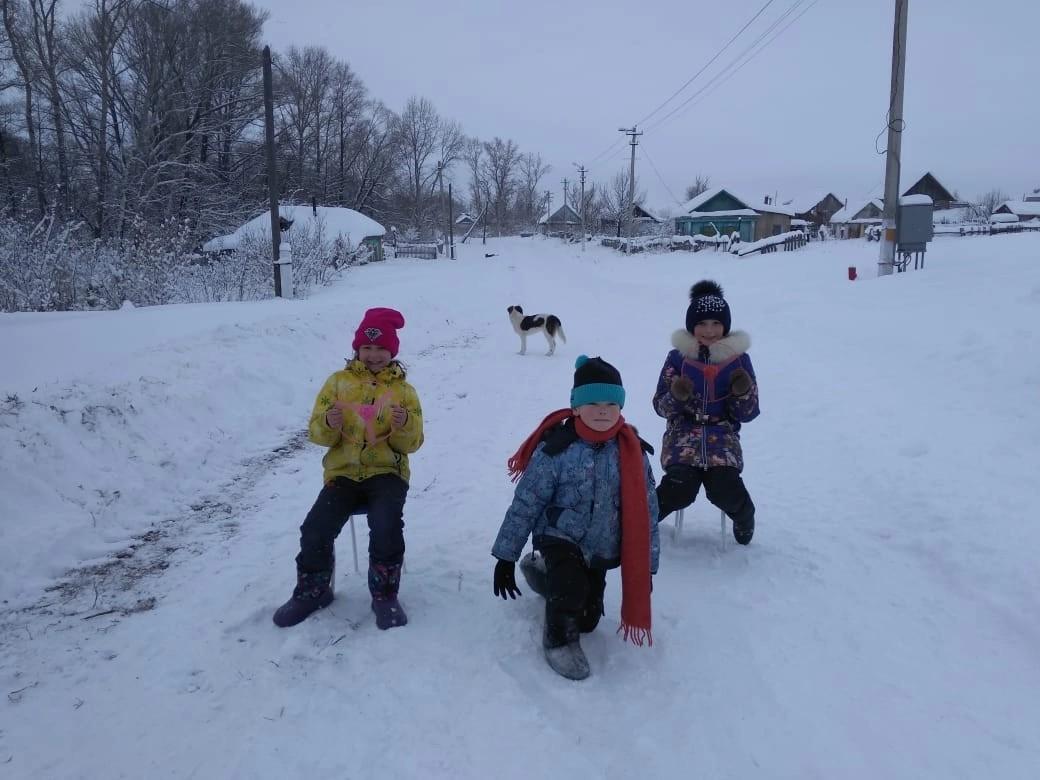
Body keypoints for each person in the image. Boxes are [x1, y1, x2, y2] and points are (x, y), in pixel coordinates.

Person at [491, 355, 659, 681]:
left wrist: (647, 565)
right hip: (559, 534)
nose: (602, 411)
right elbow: (526, 502)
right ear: (576, 406)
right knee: (570, 589)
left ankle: (542, 576)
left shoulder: (631, 451)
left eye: (611, 403)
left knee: (588, 619)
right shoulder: (557, 449)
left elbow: (648, 510)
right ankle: (558, 642)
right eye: (592, 402)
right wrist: (505, 555)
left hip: (601, 541)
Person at [273, 307, 424, 630]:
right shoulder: (338, 384)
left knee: (386, 526)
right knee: (315, 528)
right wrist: (328, 422)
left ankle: (384, 594)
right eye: (367, 348)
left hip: (387, 473)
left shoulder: (404, 392)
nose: (373, 355)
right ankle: (313, 590)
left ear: (392, 351)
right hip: (342, 474)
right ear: (357, 348)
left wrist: (404, 424)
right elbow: (316, 433)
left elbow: (412, 444)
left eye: (381, 348)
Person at [653, 281, 760, 544]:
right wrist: (677, 395)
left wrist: (741, 391)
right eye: (702, 324)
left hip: (722, 436)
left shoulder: (738, 359)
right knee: (679, 489)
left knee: (724, 488)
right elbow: (659, 406)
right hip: (682, 435)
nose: (709, 331)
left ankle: (746, 517)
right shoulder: (677, 358)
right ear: (691, 326)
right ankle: (640, 520)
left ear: (725, 326)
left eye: (715, 323)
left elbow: (748, 412)